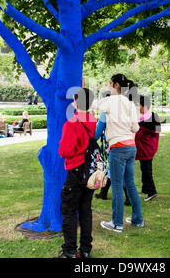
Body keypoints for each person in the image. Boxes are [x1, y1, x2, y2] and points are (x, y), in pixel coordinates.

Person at [91, 74, 143, 232]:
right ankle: (137, 219)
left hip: (118, 147)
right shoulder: (129, 103)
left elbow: (90, 103)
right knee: (130, 184)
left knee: (118, 186)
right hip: (130, 146)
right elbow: (136, 128)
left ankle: (117, 223)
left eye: (109, 83)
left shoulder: (111, 101)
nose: (108, 86)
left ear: (115, 85)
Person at [58, 87, 97, 258]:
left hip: (75, 169)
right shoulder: (95, 122)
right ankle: (86, 250)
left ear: (75, 101)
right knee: (86, 210)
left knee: (69, 210)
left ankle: (70, 251)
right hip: (91, 171)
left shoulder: (71, 123)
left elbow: (65, 151)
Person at [135, 95, 161, 202]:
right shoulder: (153, 116)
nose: (137, 107)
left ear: (143, 105)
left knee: (146, 170)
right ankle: (145, 188)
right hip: (150, 148)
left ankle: (151, 191)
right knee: (145, 168)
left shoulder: (145, 120)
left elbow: (137, 135)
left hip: (146, 149)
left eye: (138, 105)